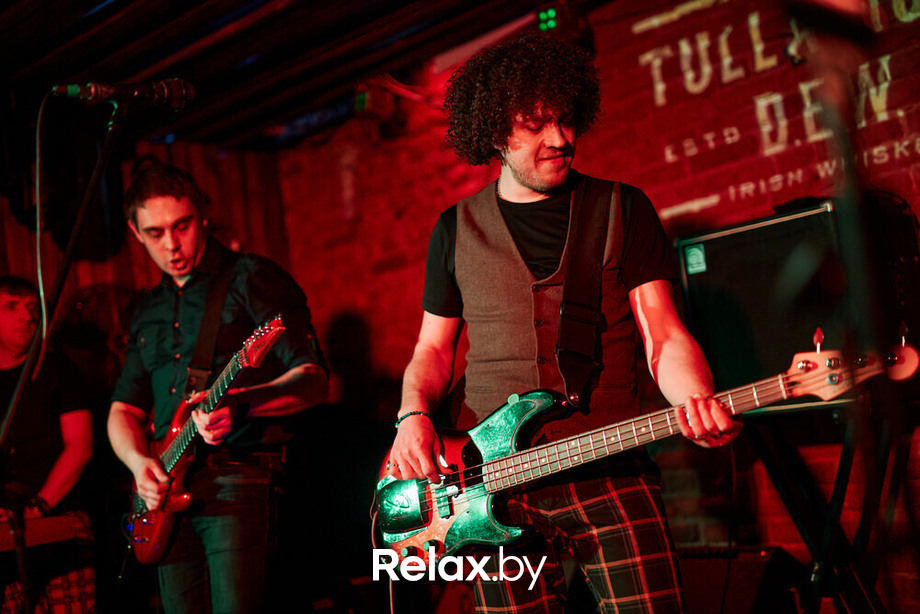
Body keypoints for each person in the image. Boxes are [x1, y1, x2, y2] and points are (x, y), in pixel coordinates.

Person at [387, 32, 741, 613]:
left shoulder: (622, 207)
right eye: (536, 125)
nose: (560, 139)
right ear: (494, 132)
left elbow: (663, 333)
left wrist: (695, 399)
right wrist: (413, 417)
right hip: (487, 486)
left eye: (566, 120)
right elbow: (433, 350)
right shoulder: (454, 229)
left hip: (612, 467)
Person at [107, 162, 328, 613]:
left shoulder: (251, 277)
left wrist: (243, 405)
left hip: (237, 476)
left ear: (202, 215)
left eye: (182, 226)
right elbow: (123, 410)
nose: (171, 245)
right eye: (154, 233)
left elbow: (314, 381)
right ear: (134, 232)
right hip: (165, 494)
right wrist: (138, 464)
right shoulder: (147, 309)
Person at [0, 275, 94, 612]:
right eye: (12, 306)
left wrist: (38, 506)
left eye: (32, 307)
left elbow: (80, 447)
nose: (27, 316)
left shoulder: (58, 369)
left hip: (61, 515)